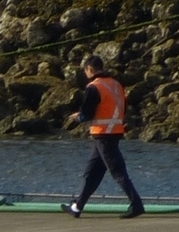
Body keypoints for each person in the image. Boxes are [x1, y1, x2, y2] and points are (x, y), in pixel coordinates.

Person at [62, 55, 145, 218]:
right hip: (114, 132)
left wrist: (77, 117)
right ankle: (78, 207)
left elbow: (87, 113)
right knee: (92, 172)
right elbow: (121, 107)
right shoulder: (116, 85)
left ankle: (137, 204)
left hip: (103, 134)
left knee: (117, 171)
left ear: (89, 69)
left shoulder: (94, 87)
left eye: (85, 71)